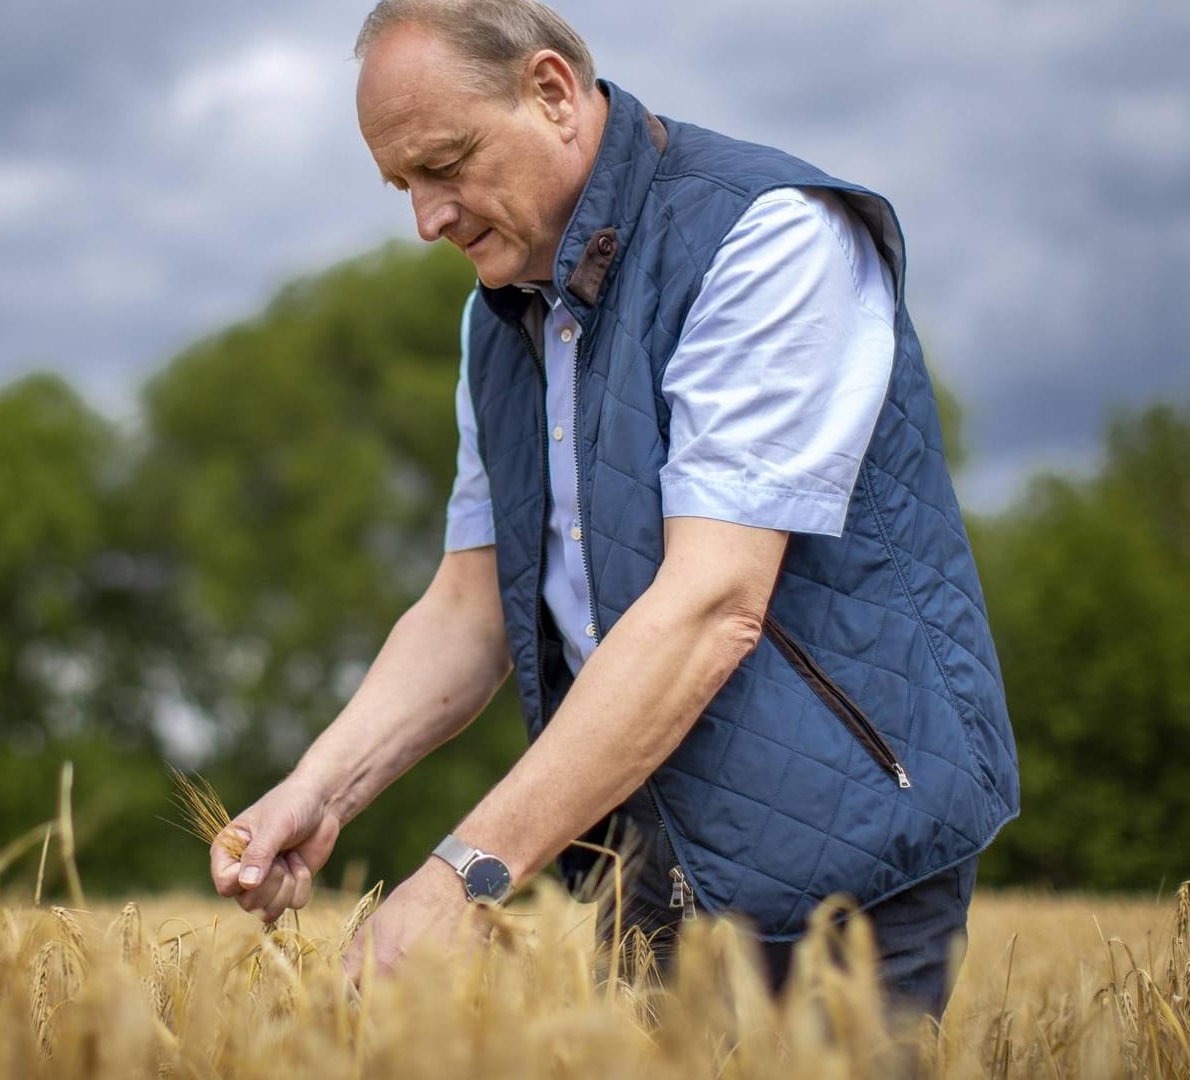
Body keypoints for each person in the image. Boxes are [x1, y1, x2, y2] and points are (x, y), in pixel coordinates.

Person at [207, 0, 1018, 1021]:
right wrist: (317, 791)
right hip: (648, 849)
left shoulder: (765, 234)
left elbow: (711, 604)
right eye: (402, 183)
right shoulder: (497, 321)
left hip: (841, 851)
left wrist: (468, 874)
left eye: (447, 163)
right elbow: (469, 608)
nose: (427, 219)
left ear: (551, 92)